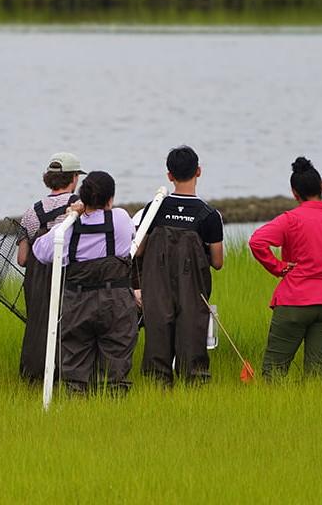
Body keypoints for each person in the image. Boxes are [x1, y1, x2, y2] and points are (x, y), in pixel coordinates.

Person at [32, 171, 137, 395]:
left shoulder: (68, 229)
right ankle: (113, 414)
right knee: (116, 367)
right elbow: (131, 237)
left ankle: (76, 412)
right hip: (115, 302)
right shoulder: (120, 218)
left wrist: (70, 216)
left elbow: (39, 251)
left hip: (77, 303)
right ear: (110, 198)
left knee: (75, 367)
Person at [249, 157, 322, 378]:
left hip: (294, 301)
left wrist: (279, 267)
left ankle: (274, 411)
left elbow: (257, 241)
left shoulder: (291, 220)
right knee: (317, 375)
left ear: (295, 193)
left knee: (274, 372)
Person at [135, 146, 224, 385]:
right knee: (192, 342)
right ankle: (194, 390)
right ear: (199, 171)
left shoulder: (154, 209)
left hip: (156, 289)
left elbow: (138, 250)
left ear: (169, 176)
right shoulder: (209, 215)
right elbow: (217, 262)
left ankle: (157, 390)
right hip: (193, 292)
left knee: (158, 341)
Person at [16, 152, 83, 383]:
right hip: (67, 276)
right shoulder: (78, 207)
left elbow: (22, 258)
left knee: (37, 326)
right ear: (74, 178)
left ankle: (33, 377)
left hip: (36, 279)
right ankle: (65, 376)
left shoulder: (31, 212)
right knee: (67, 326)